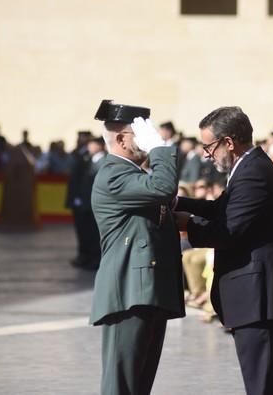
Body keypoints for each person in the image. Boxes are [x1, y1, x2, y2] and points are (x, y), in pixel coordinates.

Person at [174, 106, 273, 395]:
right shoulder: (248, 167)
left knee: (262, 384)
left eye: (209, 147)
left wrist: (185, 225)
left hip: (258, 297)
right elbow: (220, 209)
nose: (207, 154)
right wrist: (180, 204)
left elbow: (227, 231)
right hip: (254, 296)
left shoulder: (253, 173)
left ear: (229, 142)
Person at [89, 100, 185, 395]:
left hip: (146, 291)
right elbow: (164, 188)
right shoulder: (114, 175)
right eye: (140, 134)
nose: (148, 140)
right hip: (127, 292)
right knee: (121, 386)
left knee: (139, 384)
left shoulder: (134, 175)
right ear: (120, 139)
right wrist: (160, 149)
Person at [66, 135, 105, 270]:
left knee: (94, 234)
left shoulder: (102, 161)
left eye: (93, 144)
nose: (90, 147)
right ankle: (88, 257)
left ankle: (95, 259)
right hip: (86, 203)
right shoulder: (88, 160)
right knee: (86, 233)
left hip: (93, 204)